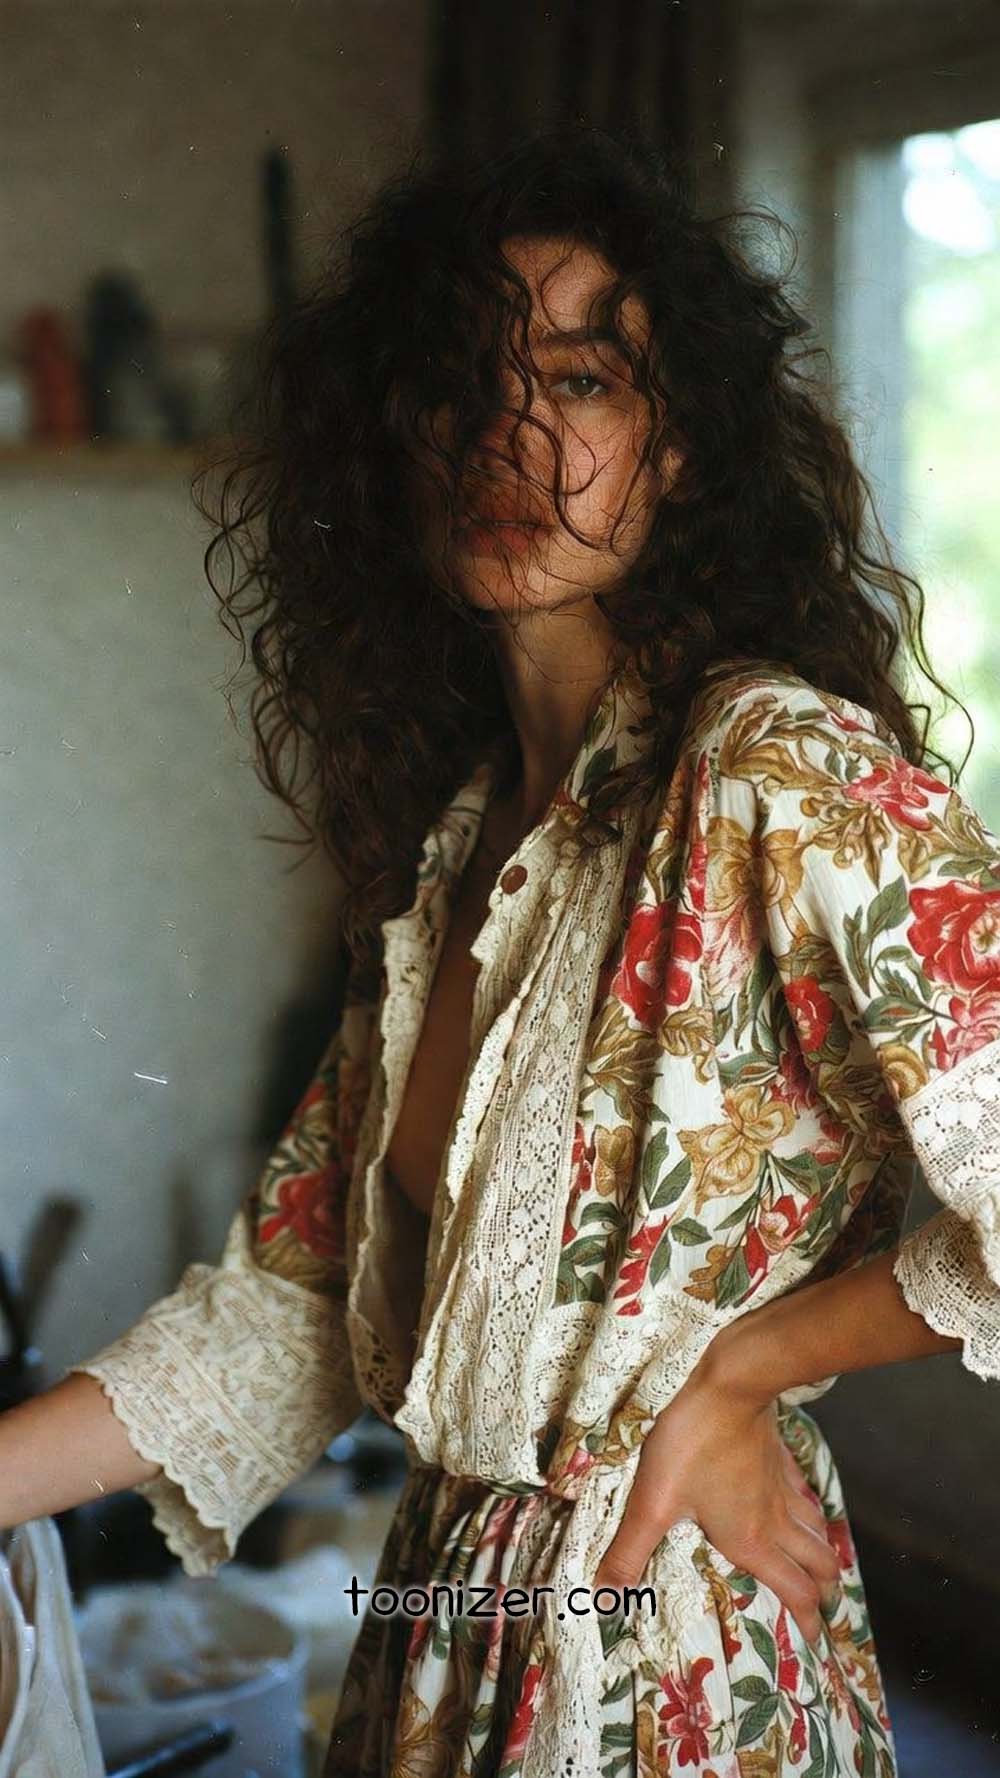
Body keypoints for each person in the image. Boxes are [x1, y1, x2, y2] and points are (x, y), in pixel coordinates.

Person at [3, 121, 999, 1777]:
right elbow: (296, 1303)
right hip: (447, 1632)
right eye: (465, 381)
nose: (515, 435)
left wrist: (745, 1370)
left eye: (587, 378)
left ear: (682, 445)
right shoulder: (463, 846)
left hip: (665, 1637)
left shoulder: (769, 767)